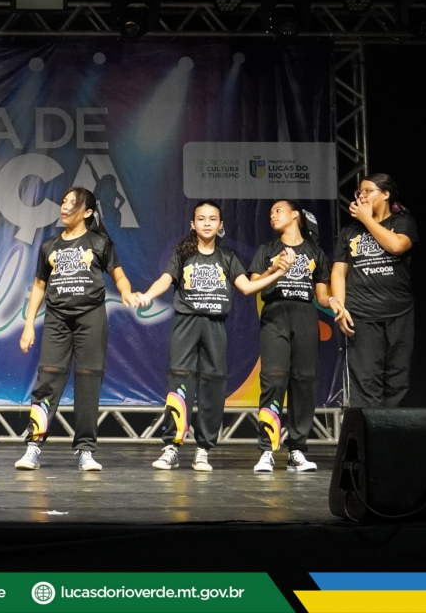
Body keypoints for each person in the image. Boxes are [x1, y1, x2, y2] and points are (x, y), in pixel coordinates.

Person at [132, 200, 289, 472]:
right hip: (186, 324)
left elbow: (248, 288)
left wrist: (277, 272)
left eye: (212, 219)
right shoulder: (182, 254)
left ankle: (203, 449)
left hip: (215, 326)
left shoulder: (227, 257)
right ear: (193, 224)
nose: (207, 223)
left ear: (220, 225)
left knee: (213, 385)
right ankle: (172, 447)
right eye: (201, 219)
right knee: (179, 379)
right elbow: (165, 280)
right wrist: (147, 295)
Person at [14, 188, 137, 472]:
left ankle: (86, 450)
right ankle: (33, 446)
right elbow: (39, 286)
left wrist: (126, 292)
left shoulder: (99, 243)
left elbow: (119, 276)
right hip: (57, 319)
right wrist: (29, 325)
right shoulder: (50, 245)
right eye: (64, 202)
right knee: (47, 380)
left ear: (88, 212)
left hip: (90, 318)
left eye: (73, 203)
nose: (65, 207)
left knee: (88, 382)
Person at [247, 201, 335, 473]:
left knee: (304, 381)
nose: (272, 215)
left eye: (278, 210)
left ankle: (297, 450)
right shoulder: (267, 250)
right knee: (273, 380)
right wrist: (274, 269)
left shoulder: (315, 252)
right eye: (270, 213)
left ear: (295, 214)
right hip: (275, 315)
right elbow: (253, 285)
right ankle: (267, 450)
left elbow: (321, 295)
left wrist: (334, 302)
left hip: (305, 315)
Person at [329, 174, 418, 408]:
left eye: (368, 191)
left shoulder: (402, 221)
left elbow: (397, 246)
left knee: (397, 379)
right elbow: (338, 273)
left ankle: (391, 427)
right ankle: (367, 428)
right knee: (365, 380)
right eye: (359, 192)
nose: (362, 196)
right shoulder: (349, 231)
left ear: (386, 194)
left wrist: (368, 220)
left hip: (398, 311)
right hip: (361, 313)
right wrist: (340, 306)